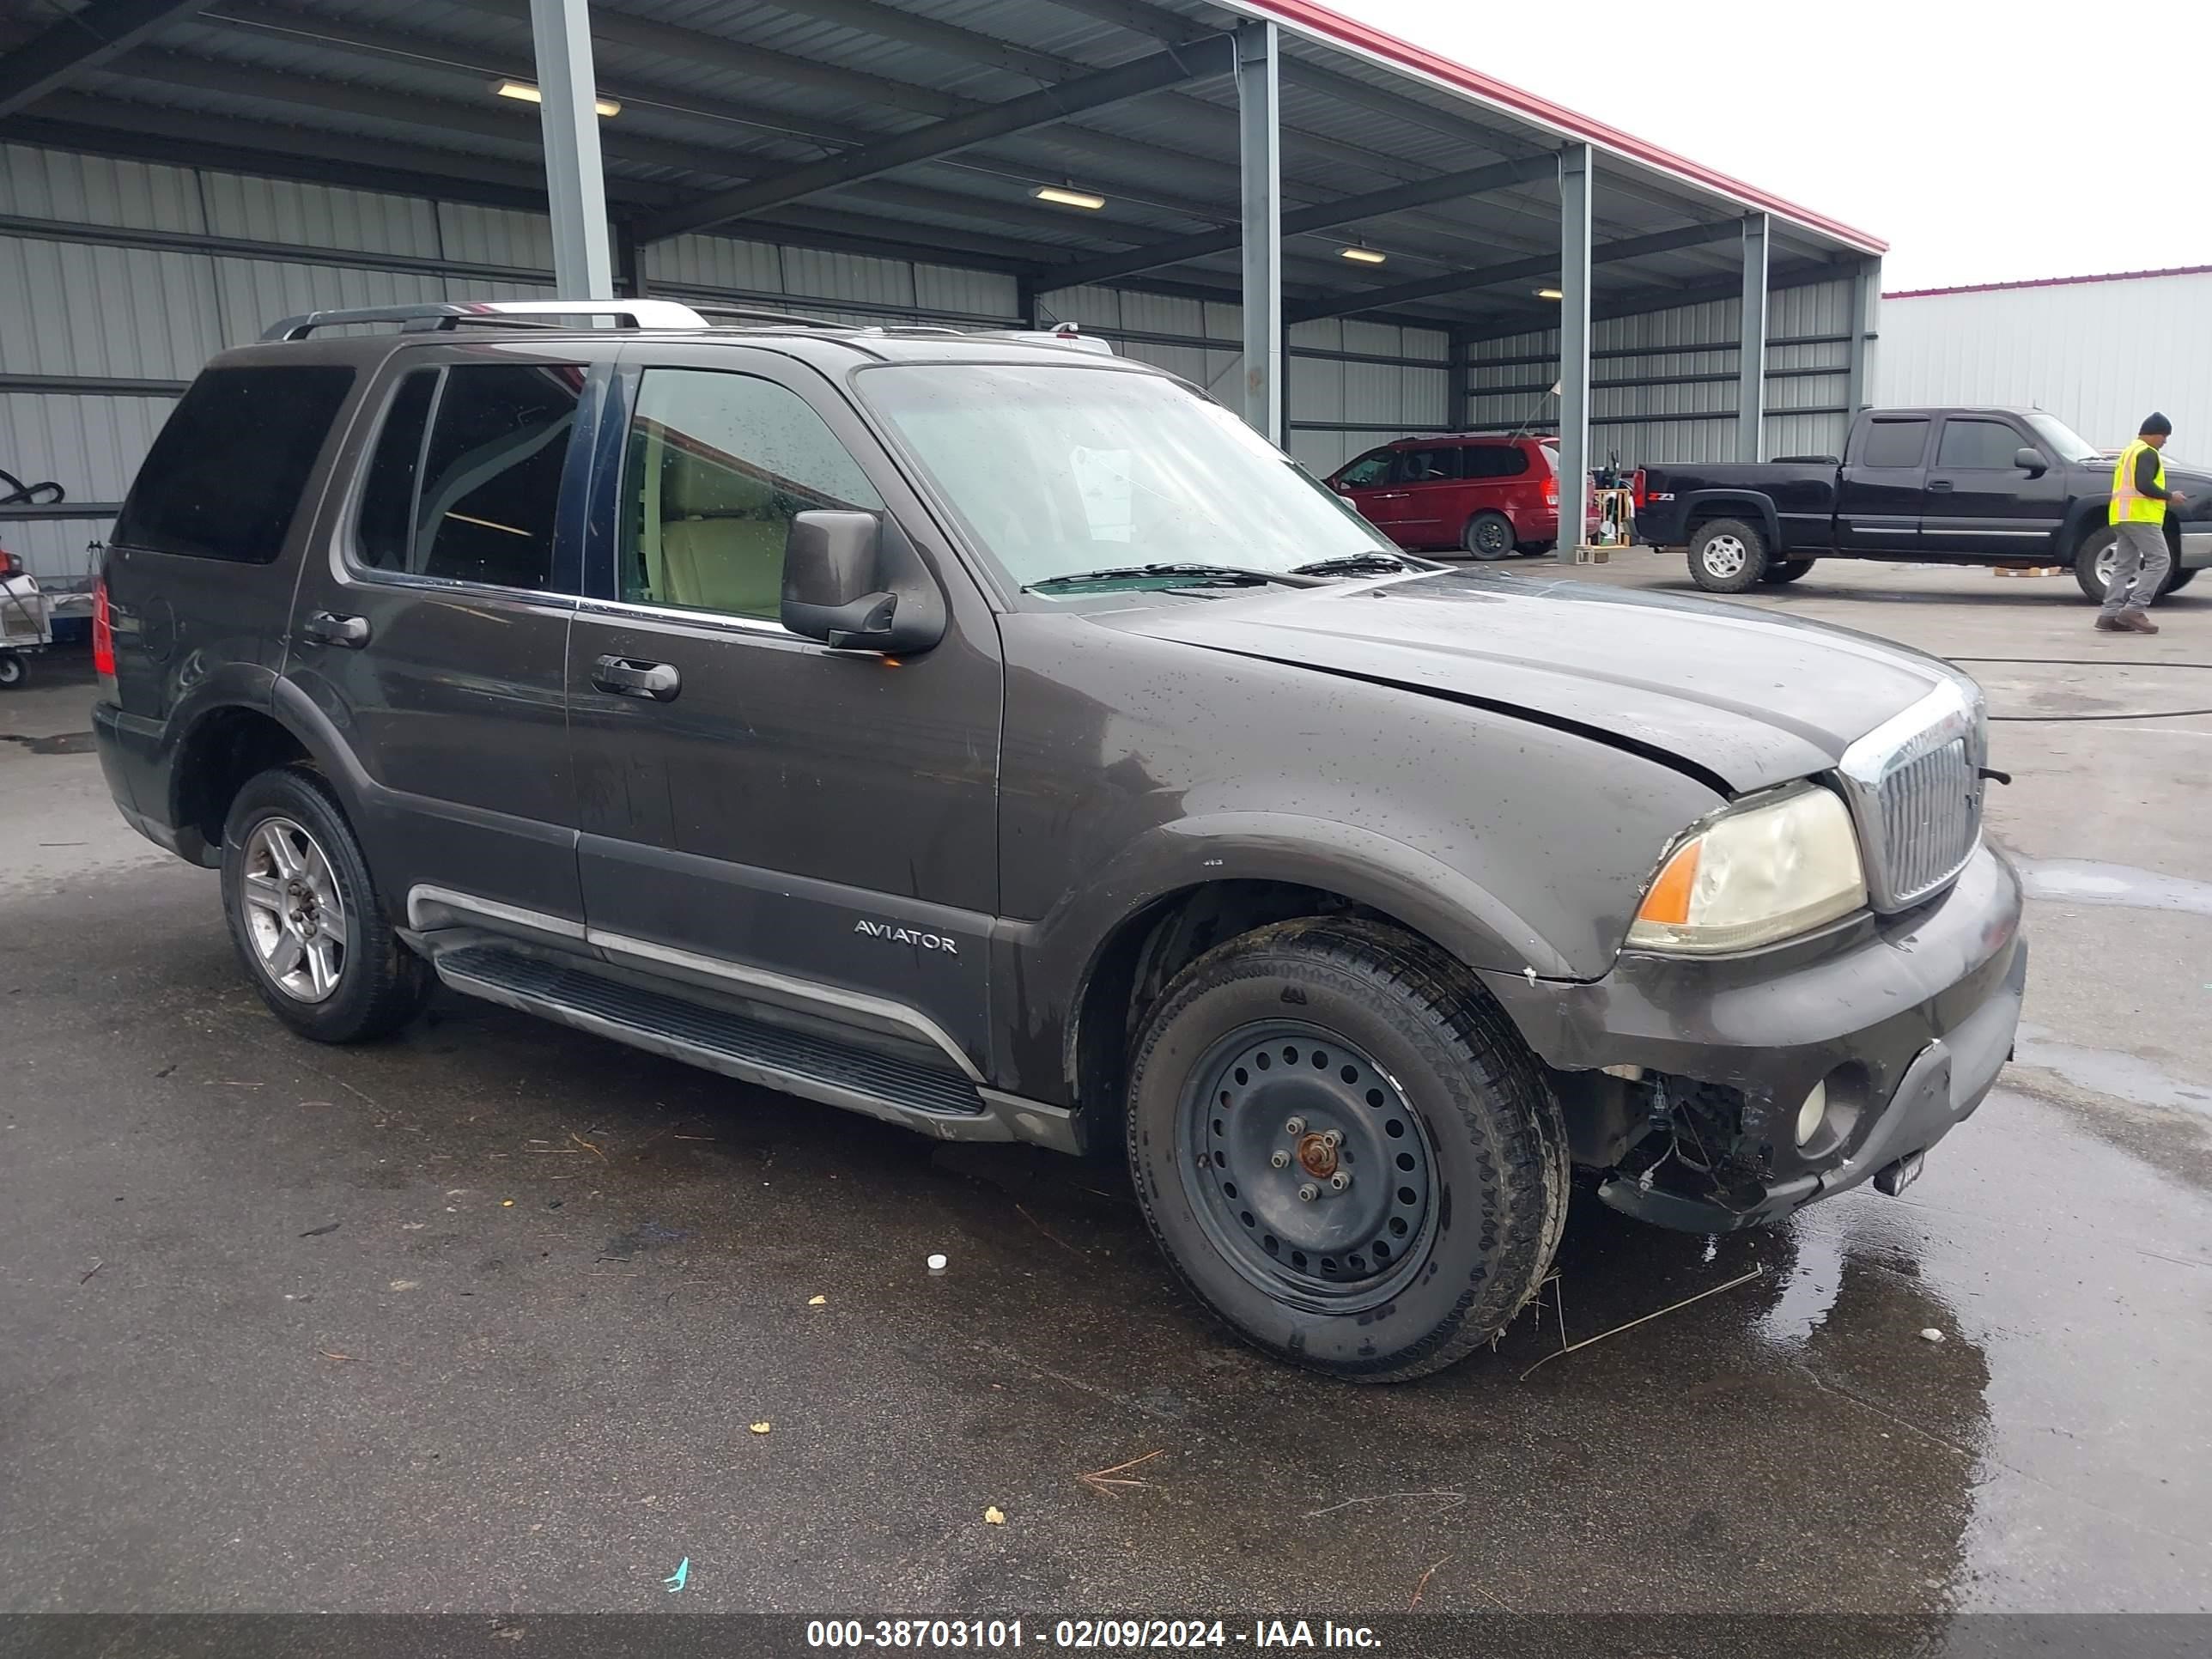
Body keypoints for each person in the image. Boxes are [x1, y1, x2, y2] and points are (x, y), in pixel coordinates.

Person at [2098, 412, 2187, 635]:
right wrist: (2170, 496)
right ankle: (2134, 610)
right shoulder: (2147, 453)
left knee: (2124, 566)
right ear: (2154, 434)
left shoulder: (2130, 451)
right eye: (2164, 436)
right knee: (2160, 561)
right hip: (2141, 517)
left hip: (2122, 516)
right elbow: (2144, 485)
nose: (2165, 441)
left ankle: (2109, 615)